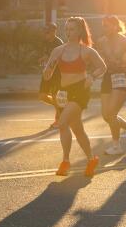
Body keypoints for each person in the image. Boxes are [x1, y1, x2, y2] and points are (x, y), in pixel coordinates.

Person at [43, 16, 106, 176]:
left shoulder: (87, 51)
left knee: (62, 122)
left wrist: (92, 77)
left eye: (72, 29)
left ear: (79, 30)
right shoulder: (58, 50)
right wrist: (49, 66)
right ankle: (92, 159)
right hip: (64, 92)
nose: (68, 32)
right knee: (78, 129)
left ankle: (65, 161)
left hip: (80, 91)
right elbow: (47, 75)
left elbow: (102, 67)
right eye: (67, 29)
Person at [98, 15, 126, 153]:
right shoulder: (101, 41)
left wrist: (122, 63)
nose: (104, 28)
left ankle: (116, 146)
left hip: (122, 76)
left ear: (116, 26)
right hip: (107, 77)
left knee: (111, 113)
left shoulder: (125, 40)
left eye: (107, 25)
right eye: (103, 25)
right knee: (106, 115)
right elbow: (100, 59)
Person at [39, 22, 66, 129]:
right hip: (47, 72)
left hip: (57, 74)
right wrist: (43, 61)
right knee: (42, 96)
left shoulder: (58, 43)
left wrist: (47, 58)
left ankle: (59, 120)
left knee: (55, 96)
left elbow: (60, 59)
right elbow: (45, 56)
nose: (45, 34)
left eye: (48, 32)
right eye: (44, 32)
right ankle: (61, 107)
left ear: (54, 32)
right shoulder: (45, 42)